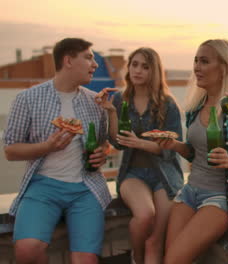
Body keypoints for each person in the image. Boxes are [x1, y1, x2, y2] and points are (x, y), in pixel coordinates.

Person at [3, 38, 111, 264]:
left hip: (85, 187)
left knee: (86, 260)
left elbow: (104, 143)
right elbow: (10, 150)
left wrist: (103, 152)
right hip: (43, 186)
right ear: (68, 60)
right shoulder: (28, 98)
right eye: (88, 58)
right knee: (27, 250)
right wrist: (47, 147)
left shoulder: (95, 102)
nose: (95, 64)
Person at [155, 39, 228, 264]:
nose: (197, 67)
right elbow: (195, 154)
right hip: (190, 192)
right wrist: (174, 146)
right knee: (170, 259)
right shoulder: (196, 106)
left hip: (221, 197)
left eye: (204, 61)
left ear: (223, 68)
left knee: (174, 259)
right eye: (195, 61)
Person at [95, 47, 183, 264]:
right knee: (145, 216)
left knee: (155, 242)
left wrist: (140, 142)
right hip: (133, 173)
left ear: (154, 71)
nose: (138, 70)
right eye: (134, 64)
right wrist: (112, 113)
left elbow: (170, 148)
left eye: (145, 66)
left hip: (165, 175)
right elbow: (117, 142)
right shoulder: (119, 99)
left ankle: (145, 255)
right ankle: (136, 256)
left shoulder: (167, 103)